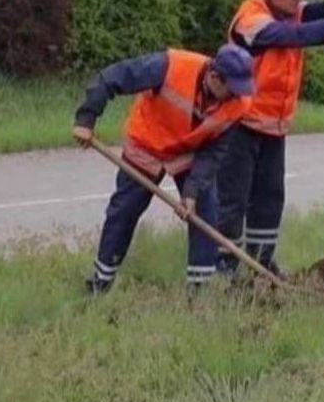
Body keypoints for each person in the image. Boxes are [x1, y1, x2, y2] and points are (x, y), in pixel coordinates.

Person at [215, 0, 324, 277]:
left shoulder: (288, 11)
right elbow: (293, 35)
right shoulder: (252, 19)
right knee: (233, 200)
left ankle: (261, 263)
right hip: (240, 124)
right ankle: (225, 266)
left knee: (270, 199)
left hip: (274, 127)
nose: (299, 1)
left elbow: (319, 12)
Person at [73, 44, 255, 294]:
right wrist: (86, 118)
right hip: (147, 144)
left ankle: (198, 293)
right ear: (214, 76)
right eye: (231, 90)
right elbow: (113, 77)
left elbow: (212, 154)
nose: (236, 96)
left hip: (188, 153)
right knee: (124, 211)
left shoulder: (238, 104)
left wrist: (190, 193)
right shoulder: (170, 66)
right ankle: (100, 282)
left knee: (205, 213)